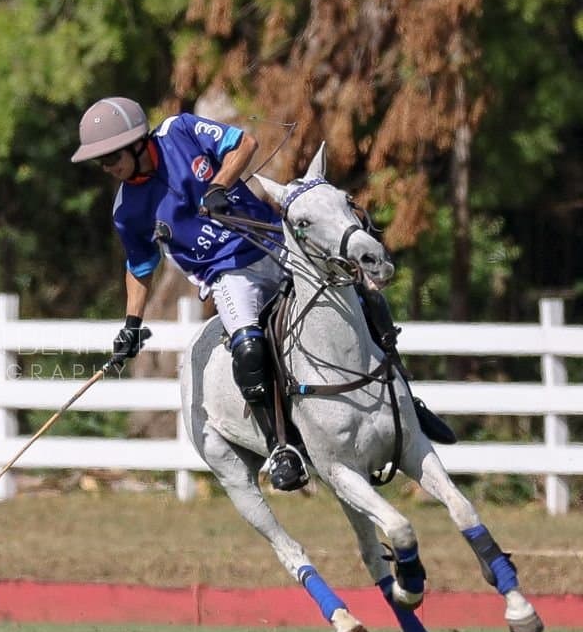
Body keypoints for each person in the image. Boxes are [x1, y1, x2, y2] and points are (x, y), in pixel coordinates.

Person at [70, 97, 454, 492]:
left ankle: (407, 400)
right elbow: (140, 266)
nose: (107, 167)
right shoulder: (126, 209)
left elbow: (244, 144)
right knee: (249, 347)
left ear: (136, 143)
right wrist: (132, 325)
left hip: (274, 240)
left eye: (111, 156)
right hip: (227, 274)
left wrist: (219, 185)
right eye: (100, 162)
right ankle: (280, 448)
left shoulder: (179, 131)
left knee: (360, 293)